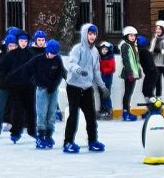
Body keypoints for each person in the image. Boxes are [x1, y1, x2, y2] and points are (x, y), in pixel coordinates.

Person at [62, 23, 108, 154]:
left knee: (91, 115)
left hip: (87, 87)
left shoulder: (95, 51)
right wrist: (79, 70)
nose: (92, 36)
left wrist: (102, 86)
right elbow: (72, 64)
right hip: (74, 87)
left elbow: (96, 71)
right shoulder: (77, 49)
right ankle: (68, 142)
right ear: (85, 34)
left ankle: (93, 141)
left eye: (94, 34)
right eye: (90, 34)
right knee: (73, 115)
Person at [23, 39, 66, 148]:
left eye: (55, 53)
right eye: (51, 53)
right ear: (47, 51)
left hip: (54, 90)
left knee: (51, 112)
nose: (52, 56)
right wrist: (36, 82)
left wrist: (55, 84)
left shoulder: (57, 59)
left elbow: (61, 72)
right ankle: (41, 136)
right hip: (42, 89)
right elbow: (27, 70)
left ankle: (49, 135)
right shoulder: (38, 59)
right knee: (42, 112)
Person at [119, 26, 142, 121]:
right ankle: (126, 112)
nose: (133, 37)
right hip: (129, 74)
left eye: (134, 36)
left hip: (133, 73)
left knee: (129, 93)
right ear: (126, 36)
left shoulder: (133, 46)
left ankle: (127, 111)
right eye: (130, 35)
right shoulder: (125, 46)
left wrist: (138, 71)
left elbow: (135, 61)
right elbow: (126, 61)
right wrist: (130, 73)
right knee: (128, 93)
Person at [136, 33, 156, 113]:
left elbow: (149, 63)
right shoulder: (142, 51)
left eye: (137, 43)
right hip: (150, 73)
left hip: (152, 73)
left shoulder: (143, 52)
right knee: (146, 91)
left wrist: (150, 69)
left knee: (148, 91)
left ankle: (153, 108)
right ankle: (150, 108)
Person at [97, 40, 117, 117]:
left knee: (105, 94)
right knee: (102, 94)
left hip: (107, 78)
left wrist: (103, 71)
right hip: (101, 78)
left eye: (106, 49)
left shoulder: (110, 58)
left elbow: (112, 68)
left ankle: (108, 110)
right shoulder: (101, 57)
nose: (104, 51)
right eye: (103, 49)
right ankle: (103, 109)